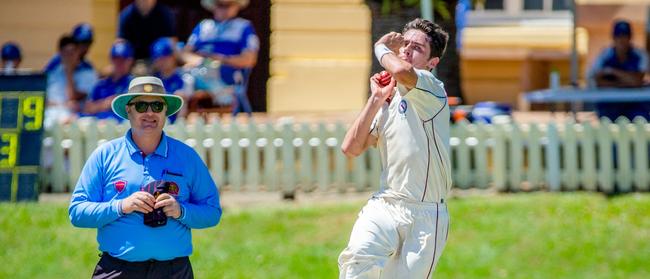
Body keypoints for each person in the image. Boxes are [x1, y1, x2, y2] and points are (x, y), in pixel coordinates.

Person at [69, 76, 221, 278]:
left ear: (166, 112)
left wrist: (180, 210)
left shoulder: (187, 157)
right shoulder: (104, 155)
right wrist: (122, 206)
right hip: (118, 270)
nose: (150, 113)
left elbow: (212, 212)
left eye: (157, 105)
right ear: (128, 110)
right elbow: (77, 213)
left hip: (173, 271)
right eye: (141, 105)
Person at [338, 18, 452, 278]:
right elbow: (351, 148)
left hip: (427, 213)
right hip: (386, 203)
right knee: (357, 260)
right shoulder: (389, 97)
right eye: (405, 44)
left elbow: (401, 71)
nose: (407, 50)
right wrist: (376, 100)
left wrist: (380, 47)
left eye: (418, 48)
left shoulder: (433, 89)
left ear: (432, 63)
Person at [186, 0, 259, 116]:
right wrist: (198, 61)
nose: (224, 9)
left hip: (226, 78)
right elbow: (185, 53)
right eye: (220, 5)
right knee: (178, 78)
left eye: (228, 5)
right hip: (196, 73)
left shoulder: (244, 27)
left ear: (236, 6)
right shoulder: (203, 26)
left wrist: (221, 59)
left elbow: (249, 59)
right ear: (214, 6)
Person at [589, 19, 650, 120]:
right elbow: (599, 82)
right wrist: (627, 81)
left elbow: (636, 81)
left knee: (640, 123)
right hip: (610, 105)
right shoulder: (604, 55)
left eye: (625, 36)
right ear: (613, 38)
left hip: (635, 105)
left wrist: (613, 72)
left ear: (630, 38)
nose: (621, 40)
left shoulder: (640, 55)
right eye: (618, 36)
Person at [44, 35, 98, 128]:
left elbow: (72, 97)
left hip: (75, 119)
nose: (69, 57)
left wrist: (69, 72)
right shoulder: (53, 73)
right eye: (66, 53)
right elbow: (45, 99)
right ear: (60, 53)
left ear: (78, 53)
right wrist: (61, 104)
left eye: (72, 53)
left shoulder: (88, 74)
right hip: (51, 116)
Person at [82, 40, 134, 121]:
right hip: (98, 128)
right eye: (116, 59)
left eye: (123, 59)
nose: (119, 63)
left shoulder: (134, 84)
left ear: (130, 61)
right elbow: (87, 109)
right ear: (111, 60)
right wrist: (106, 104)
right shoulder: (101, 84)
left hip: (122, 128)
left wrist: (112, 103)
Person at [151, 37, 186, 122]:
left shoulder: (184, 77)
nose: (162, 62)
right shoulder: (153, 80)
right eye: (158, 59)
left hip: (176, 124)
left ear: (173, 57)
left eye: (165, 58)